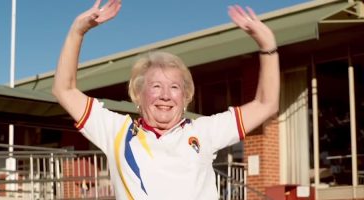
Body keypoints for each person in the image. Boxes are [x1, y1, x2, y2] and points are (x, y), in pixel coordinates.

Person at [52, 0, 279, 199]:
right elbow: (64, 90)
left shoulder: (204, 132)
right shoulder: (117, 132)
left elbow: (266, 105)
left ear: (185, 96)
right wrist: (77, 32)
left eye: (174, 87)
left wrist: (268, 47)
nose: (165, 95)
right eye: (156, 86)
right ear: (138, 94)